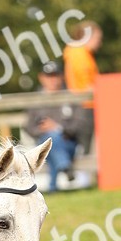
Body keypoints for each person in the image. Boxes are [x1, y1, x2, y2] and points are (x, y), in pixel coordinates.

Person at [23, 61, 88, 191]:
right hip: (44, 144)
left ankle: (54, 185)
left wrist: (58, 128)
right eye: (49, 76)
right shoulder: (35, 100)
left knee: (53, 140)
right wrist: (42, 129)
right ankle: (64, 167)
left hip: (68, 143)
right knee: (50, 141)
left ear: (61, 76)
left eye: (55, 75)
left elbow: (79, 125)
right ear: (41, 77)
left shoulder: (71, 97)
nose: (52, 80)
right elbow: (28, 127)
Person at [63, 20, 101, 154]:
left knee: (86, 147)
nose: (99, 42)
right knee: (85, 148)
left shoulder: (80, 53)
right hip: (84, 105)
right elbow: (85, 83)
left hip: (84, 105)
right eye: (97, 38)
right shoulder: (79, 53)